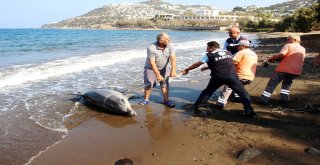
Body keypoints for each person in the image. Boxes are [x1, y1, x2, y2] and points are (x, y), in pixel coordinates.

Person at [181, 41, 256, 117]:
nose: (206, 49)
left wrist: (187, 69)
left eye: (207, 47)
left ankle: (197, 106)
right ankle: (248, 110)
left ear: (212, 48)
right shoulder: (228, 52)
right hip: (231, 76)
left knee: (208, 92)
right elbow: (224, 62)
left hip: (218, 77)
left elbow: (197, 64)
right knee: (243, 93)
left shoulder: (208, 55)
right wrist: (208, 67)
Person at [256, 34, 306, 104]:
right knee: (287, 83)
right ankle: (285, 98)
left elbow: (282, 54)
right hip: (296, 71)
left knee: (272, 83)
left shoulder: (288, 45)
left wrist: (271, 58)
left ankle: (264, 99)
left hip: (284, 69)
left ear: (294, 40)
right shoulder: (303, 49)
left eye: (288, 39)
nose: (287, 41)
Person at [216, 40, 258, 108]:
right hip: (250, 77)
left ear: (243, 46)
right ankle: (238, 98)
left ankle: (221, 103)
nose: (237, 47)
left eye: (238, 46)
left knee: (228, 86)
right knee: (239, 87)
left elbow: (232, 63)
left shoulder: (241, 53)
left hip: (241, 76)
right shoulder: (253, 53)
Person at [140, 32, 177, 107]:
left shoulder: (170, 45)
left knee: (164, 84)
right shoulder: (151, 48)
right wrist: (158, 75)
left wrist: (173, 70)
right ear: (160, 41)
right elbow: (152, 63)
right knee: (149, 84)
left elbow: (173, 58)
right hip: (150, 68)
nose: (169, 40)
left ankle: (166, 101)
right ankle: (146, 100)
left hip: (165, 67)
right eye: (167, 39)